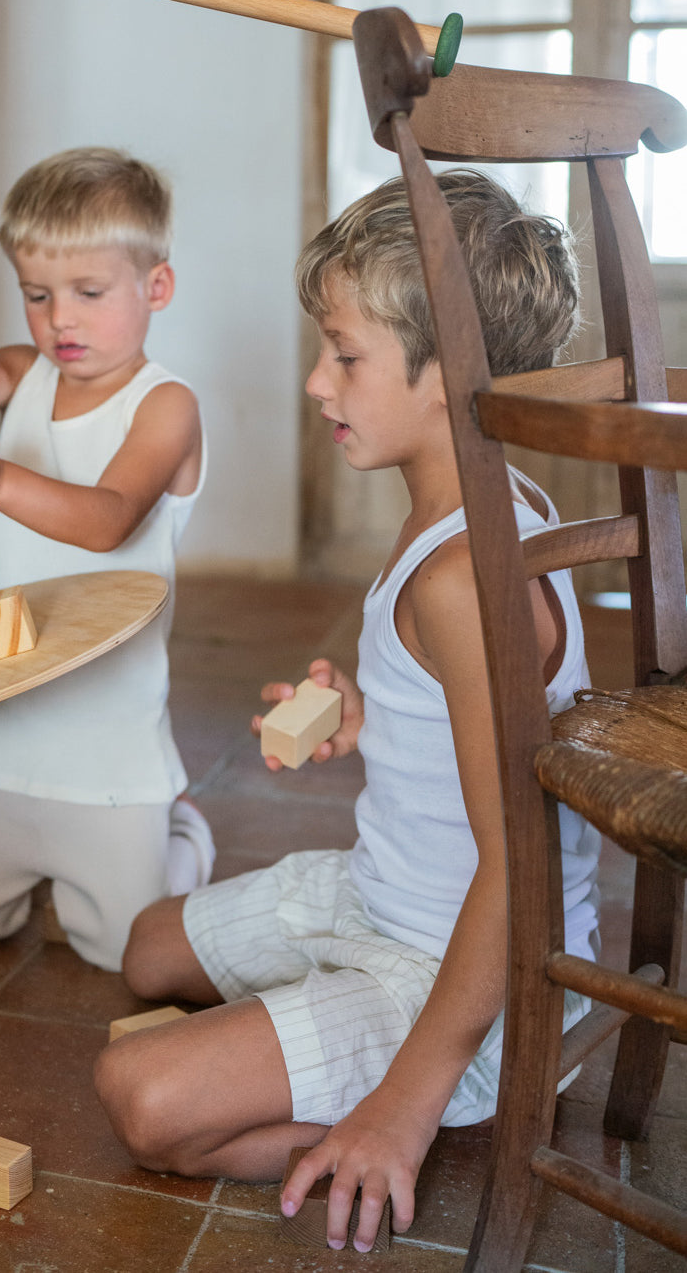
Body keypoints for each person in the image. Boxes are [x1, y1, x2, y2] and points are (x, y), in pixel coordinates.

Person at [93, 170, 601, 1251]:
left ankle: (427, 1116)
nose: (317, 383)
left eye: (345, 355)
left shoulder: (463, 580)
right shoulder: (459, 515)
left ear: (445, 375)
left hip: (461, 969)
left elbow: (519, 865)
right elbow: (471, 739)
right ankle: (342, 1050)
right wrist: (367, 723)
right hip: (385, 898)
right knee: (146, 951)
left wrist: (404, 1100)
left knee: (141, 1097)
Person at [0, 146, 213, 972]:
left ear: (157, 287)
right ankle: (23, 853)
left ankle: (179, 832)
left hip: (106, 735)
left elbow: (108, 519)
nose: (59, 320)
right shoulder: (28, 369)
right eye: (38, 294)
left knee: (121, 951)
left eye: (88, 293)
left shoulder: (166, 405)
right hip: (5, 717)